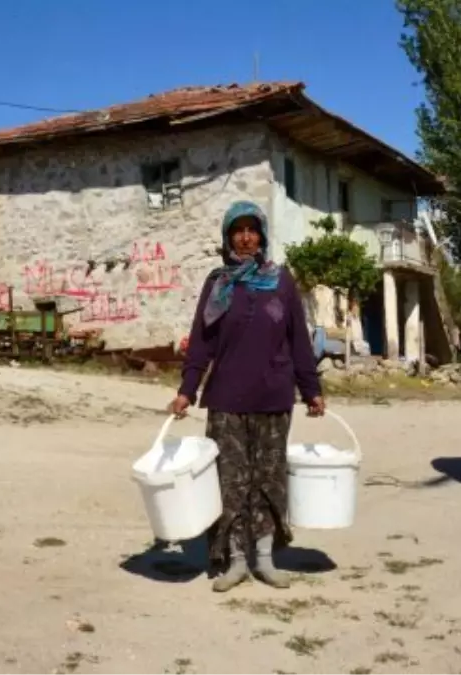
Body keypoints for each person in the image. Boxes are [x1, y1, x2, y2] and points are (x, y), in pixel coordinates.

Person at [169, 200, 326, 593]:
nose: (245, 237)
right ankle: (236, 561)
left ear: (262, 236)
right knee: (230, 482)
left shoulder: (281, 281)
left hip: (274, 397)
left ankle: (267, 559)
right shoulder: (218, 282)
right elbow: (201, 344)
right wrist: (187, 390)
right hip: (225, 399)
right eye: (237, 230)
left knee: (268, 480)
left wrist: (312, 390)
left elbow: (299, 341)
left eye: (251, 229)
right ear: (227, 238)